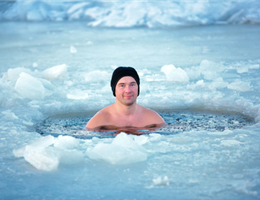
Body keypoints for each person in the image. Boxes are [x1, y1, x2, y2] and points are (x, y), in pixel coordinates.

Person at [86, 66, 165, 133]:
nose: (128, 90)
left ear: (138, 88)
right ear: (114, 90)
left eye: (132, 84)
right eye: (122, 85)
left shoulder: (152, 117)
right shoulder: (101, 119)